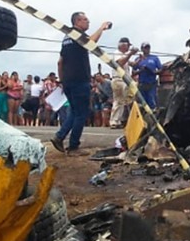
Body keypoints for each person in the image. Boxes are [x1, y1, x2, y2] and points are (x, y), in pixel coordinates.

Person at [51, 12, 111, 153]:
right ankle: (73, 146)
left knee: (74, 112)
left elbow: (60, 62)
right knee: (81, 114)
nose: (88, 22)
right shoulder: (77, 35)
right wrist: (102, 28)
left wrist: (62, 80)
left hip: (68, 82)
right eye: (85, 20)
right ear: (77, 21)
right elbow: (91, 43)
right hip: (79, 80)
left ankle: (59, 136)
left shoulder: (66, 38)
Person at [110, 37, 138, 128]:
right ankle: (114, 121)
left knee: (122, 101)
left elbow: (132, 64)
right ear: (123, 45)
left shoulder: (123, 54)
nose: (128, 48)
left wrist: (139, 59)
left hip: (124, 80)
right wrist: (130, 53)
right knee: (118, 101)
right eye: (127, 46)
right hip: (118, 79)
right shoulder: (116, 53)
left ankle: (117, 121)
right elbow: (121, 62)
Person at [131, 42, 162, 110]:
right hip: (142, 84)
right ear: (142, 49)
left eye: (148, 47)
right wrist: (140, 70)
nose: (147, 49)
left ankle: (152, 117)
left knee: (152, 100)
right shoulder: (138, 59)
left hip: (152, 83)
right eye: (145, 48)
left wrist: (153, 71)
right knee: (143, 102)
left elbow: (160, 69)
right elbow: (133, 73)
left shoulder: (154, 58)